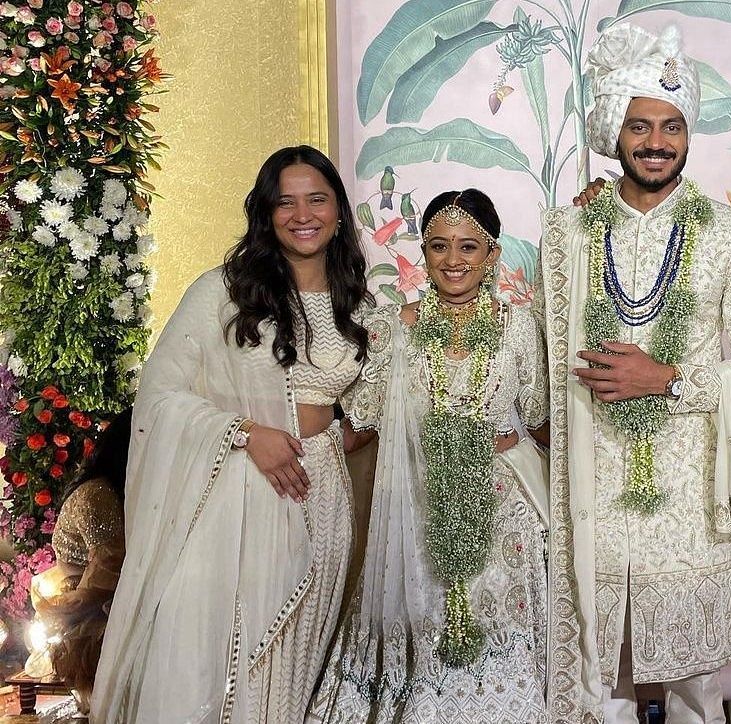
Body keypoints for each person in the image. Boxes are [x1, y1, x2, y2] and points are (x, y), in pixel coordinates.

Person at [537, 24, 731, 723]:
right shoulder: (566, 233)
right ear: (613, 131)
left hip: (690, 506)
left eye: (672, 126)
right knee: (599, 684)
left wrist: (668, 380)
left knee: (694, 696)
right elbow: (545, 365)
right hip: (593, 501)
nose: (656, 141)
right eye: (639, 125)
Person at [93, 145, 373, 722]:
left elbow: (378, 404)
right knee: (234, 660)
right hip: (242, 494)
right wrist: (246, 433)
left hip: (323, 497)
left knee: (296, 666)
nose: (303, 214)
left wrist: (335, 434)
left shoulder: (361, 302)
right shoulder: (224, 293)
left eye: (317, 199)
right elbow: (160, 396)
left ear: (339, 211)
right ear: (266, 214)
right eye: (285, 202)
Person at [309, 189, 551, 723]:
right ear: (424, 252)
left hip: (502, 505)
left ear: (492, 253)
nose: (453, 260)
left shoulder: (518, 328)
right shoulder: (396, 326)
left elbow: (535, 413)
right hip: (418, 502)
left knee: (503, 634)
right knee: (425, 625)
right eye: (439, 246)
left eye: (468, 247)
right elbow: (366, 413)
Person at [31, 408, 131, 714]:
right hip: (90, 614)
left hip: (92, 602)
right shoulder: (99, 494)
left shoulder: (106, 490)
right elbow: (110, 568)